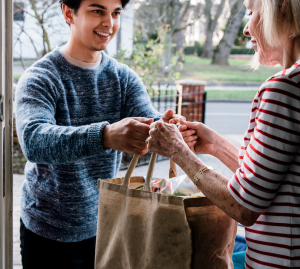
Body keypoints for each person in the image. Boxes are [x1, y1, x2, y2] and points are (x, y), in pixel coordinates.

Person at [15, 0, 180, 268]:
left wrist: (169, 128)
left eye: (115, 13)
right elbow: (34, 141)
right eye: (97, 11)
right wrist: (105, 136)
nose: (109, 22)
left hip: (105, 226)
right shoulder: (40, 77)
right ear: (69, 12)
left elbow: (149, 121)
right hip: (47, 232)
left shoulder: (123, 78)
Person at [148, 0, 300, 268]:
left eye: (251, 12)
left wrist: (179, 152)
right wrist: (216, 145)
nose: (245, 30)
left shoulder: (283, 90)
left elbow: (244, 207)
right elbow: (267, 183)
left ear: (283, 7)